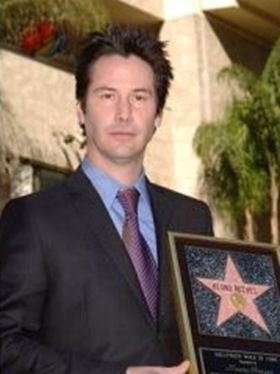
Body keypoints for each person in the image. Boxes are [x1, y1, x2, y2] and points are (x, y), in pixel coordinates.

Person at [0, 24, 214, 373]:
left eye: (140, 97)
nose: (124, 113)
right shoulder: (34, 218)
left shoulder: (193, 219)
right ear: (81, 110)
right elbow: (6, 346)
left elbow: (213, 338)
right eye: (107, 95)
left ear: (158, 115)